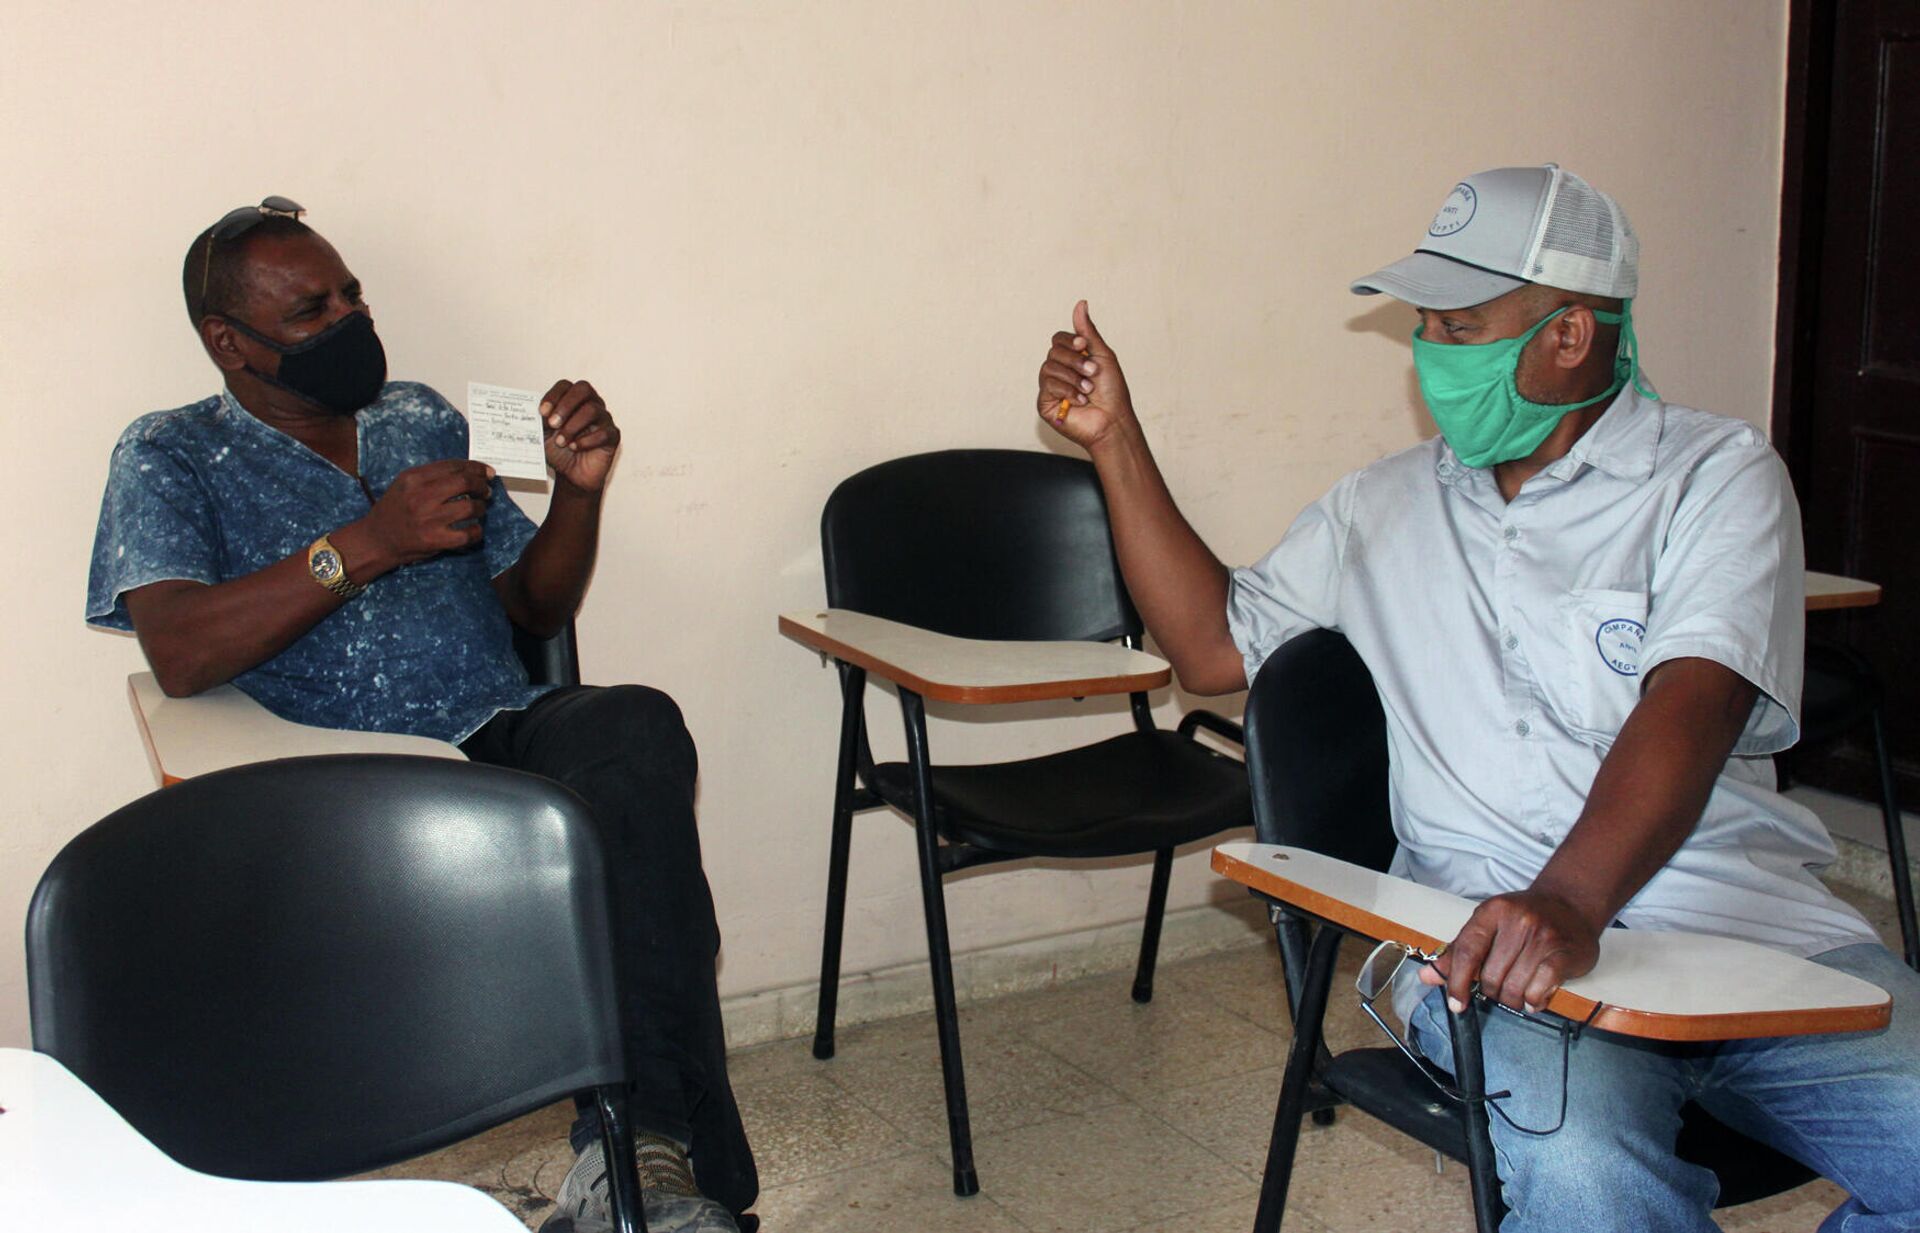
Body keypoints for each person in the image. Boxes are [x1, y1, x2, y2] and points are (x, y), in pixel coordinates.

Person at [1033, 165, 1920, 1231]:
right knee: (1588, 1176)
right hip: (1492, 961)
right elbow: (1214, 644)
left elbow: (1695, 701)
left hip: (1740, 927)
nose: (1434, 359)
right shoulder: (1382, 506)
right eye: (1427, 329)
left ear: (1571, 334)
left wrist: (1574, 902)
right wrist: (1117, 443)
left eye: (1463, 329)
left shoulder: (1713, 476)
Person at [85, 198, 755, 1233]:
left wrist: (578, 492)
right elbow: (179, 651)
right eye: (313, 309)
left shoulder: (422, 417)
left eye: (352, 292)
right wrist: (368, 542)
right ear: (230, 342)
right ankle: (636, 1178)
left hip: (492, 735)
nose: (352, 318)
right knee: (627, 859)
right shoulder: (168, 453)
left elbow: (532, 606)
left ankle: (639, 1164)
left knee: (635, 729)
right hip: (321, 776)